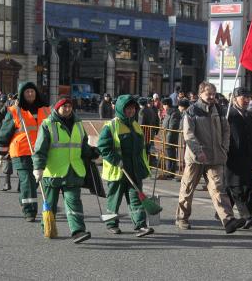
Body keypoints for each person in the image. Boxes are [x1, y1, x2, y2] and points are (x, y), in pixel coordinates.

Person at [175, 81, 246, 234]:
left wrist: (224, 147)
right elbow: (188, 134)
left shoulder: (219, 110)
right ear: (201, 94)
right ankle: (182, 218)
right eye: (209, 94)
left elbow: (226, 130)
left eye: (213, 94)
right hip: (196, 158)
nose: (212, 97)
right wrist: (198, 151)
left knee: (218, 189)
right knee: (187, 188)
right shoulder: (192, 111)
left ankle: (228, 220)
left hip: (215, 157)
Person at [32, 96, 98, 243]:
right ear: (57, 108)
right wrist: (38, 167)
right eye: (64, 106)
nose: (67, 109)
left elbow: (83, 146)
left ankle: (78, 231)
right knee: (51, 203)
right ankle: (47, 226)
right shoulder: (48, 124)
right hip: (53, 171)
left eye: (69, 106)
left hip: (73, 170)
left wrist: (92, 152)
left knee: (74, 201)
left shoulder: (79, 124)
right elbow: (40, 148)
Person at [97, 94, 154, 237]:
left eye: (133, 108)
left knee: (136, 198)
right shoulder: (110, 126)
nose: (131, 111)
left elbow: (139, 148)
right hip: (118, 170)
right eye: (127, 109)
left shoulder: (136, 125)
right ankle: (111, 224)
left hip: (134, 170)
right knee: (114, 200)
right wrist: (116, 160)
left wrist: (148, 148)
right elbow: (103, 147)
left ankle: (140, 225)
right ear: (121, 109)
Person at [0, 82, 50, 222]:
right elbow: (5, 132)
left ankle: (25, 199)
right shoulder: (14, 110)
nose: (30, 94)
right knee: (28, 181)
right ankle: (29, 211)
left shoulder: (45, 110)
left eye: (32, 91)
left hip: (40, 152)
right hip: (21, 151)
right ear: (21, 94)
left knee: (34, 181)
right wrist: (2, 150)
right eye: (27, 92)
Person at [225, 87, 252, 229]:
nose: (246, 100)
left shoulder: (250, 116)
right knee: (236, 187)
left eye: (248, 98)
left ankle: (222, 213)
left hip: (248, 157)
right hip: (232, 157)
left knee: (249, 187)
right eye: (242, 97)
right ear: (234, 99)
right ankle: (246, 216)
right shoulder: (229, 115)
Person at [161, 97, 181, 179]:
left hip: (170, 137)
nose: (163, 107)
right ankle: (168, 171)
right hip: (166, 136)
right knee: (168, 154)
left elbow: (172, 127)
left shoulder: (174, 113)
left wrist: (167, 140)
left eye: (164, 105)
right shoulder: (169, 112)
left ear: (166, 105)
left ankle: (170, 172)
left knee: (170, 155)